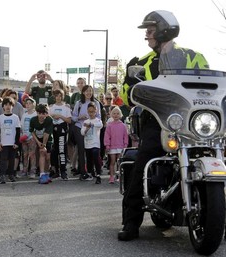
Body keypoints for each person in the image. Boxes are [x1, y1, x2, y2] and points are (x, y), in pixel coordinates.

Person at [118, 10, 209, 241]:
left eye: (149, 31)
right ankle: (131, 223)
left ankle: (218, 217)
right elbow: (127, 96)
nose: (146, 36)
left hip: (192, 122)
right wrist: (132, 86)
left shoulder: (193, 57)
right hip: (158, 123)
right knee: (143, 163)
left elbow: (209, 86)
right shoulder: (141, 64)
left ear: (162, 31)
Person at [72, 85, 101, 181]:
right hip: (80, 127)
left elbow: (99, 117)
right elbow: (74, 117)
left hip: (92, 129)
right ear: (83, 92)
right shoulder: (79, 103)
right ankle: (82, 172)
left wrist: (92, 121)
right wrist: (81, 118)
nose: (88, 93)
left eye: (90, 91)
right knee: (81, 150)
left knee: (91, 151)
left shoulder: (96, 103)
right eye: (86, 91)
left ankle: (92, 171)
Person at [0, 97, 21, 184]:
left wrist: (17, 143)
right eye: (6, 105)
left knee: (12, 160)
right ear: (3, 107)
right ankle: (2, 175)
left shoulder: (16, 117)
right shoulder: (0, 118)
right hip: (3, 143)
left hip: (12, 143)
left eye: (10, 105)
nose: (8, 106)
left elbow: (18, 131)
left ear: (12, 106)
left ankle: (11, 174)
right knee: (3, 160)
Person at [48, 89, 72, 180]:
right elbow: (48, 119)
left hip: (62, 129)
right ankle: (55, 170)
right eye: (57, 96)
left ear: (63, 96)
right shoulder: (51, 107)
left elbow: (69, 120)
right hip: (53, 129)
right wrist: (52, 116)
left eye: (60, 96)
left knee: (62, 150)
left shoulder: (66, 107)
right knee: (54, 150)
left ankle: (63, 171)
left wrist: (60, 116)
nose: (58, 97)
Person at [29, 104, 54, 183]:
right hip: (37, 139)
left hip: (47, 139)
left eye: (43, 113)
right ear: (37, 113)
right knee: (42, 153)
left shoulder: (49, 120)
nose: (41, 115)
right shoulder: (33, 120)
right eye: (39, 113)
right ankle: (42, 174)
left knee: (48, 156)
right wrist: (38, 142)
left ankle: (46, 173)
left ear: (46, 113)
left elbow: (46, 134)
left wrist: (43, 145)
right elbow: (32, 131)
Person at [103, 106, 128, 184]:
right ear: (111, 114)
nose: (116, 115)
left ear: (120, 115)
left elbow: (125, 136)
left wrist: (125, 145)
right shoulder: (109, 125)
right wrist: (107, 145)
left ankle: (119, 176)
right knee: (112, 162)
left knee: (119, 162)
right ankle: (111, 176)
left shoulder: (123, 126)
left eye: (117, 113)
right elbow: (107, 136)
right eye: (114, 113)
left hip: (121, 147)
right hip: (112, 147)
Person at [81, 102, 103, 184]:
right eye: (89, 111)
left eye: (93, 111)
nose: (91, 113)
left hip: (95, 143)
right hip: (88, 144)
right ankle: (90, 172)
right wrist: (86, 128)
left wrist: (91, 124)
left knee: (96, 156)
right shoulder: (85, 121)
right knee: (89, 160)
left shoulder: (98, 120)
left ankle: (98, 175)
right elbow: (82, 133)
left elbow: (100, 125)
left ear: (96, 111)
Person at [19, 97, 37, 179]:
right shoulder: (24, 115)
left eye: (30, 103)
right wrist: (22, 135)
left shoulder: (35, 114)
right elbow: (22, 126)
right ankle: (24, 170)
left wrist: (29, 136)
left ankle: (32, 171)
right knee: (25, 154)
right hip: (24, 138)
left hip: (32, 138)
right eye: (27, 103)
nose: (28, 105)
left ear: (33, 104)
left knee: (32, 154)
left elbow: (35, 127)